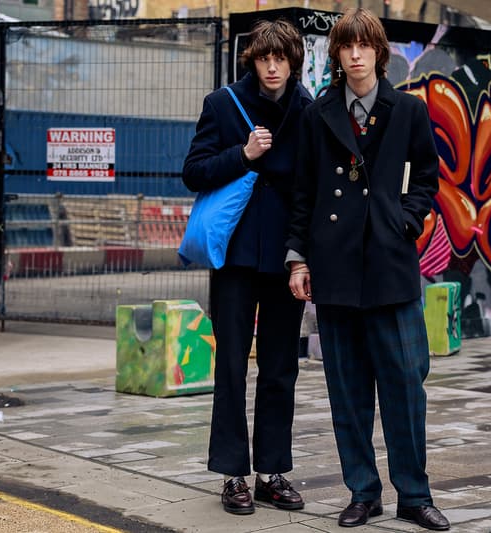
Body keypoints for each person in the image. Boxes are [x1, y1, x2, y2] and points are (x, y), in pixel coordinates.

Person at [286, 8, 450, 531]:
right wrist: (298, 259)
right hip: (334, 271)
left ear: (379, 52)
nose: (355, 55)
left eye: (364, 46)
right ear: (336, 54)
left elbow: (427, 174)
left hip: (390, 265)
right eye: (346, 46)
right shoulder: (320, 113)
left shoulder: (408, 111)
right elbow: (304, 193)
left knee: (405, 382)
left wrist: (405, 220)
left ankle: (414, 495)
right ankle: (362, 491)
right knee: (348, 390)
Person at [182, 18, 312, 516]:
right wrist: (243, 154)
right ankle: (234, 474)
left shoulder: (308, 110)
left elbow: (312, 189)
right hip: (234, 256)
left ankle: (273, 472)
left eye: (281, 58)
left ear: (293, 60)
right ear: (253, 60)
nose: (273, 67)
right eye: (264, 58)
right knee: (232, 362)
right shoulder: (222, 104)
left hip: (285, 258)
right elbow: (193, 171)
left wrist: (305, 256)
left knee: (281, 366)